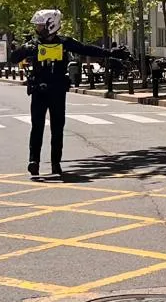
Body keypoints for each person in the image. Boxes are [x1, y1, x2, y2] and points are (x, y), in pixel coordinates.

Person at [9, 9, 127, 177]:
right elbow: (14, 57)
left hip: (57, 90)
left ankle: (56, 163)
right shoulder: (34, 44)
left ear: (51, 25)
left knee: (57, 128)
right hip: (39, 90)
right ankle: (33, 161)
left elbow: (86, 49)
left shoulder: (64, 42)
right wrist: (24, 48)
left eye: (40, 25)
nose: (37, 28)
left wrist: (110, 53)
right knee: (37, 127)